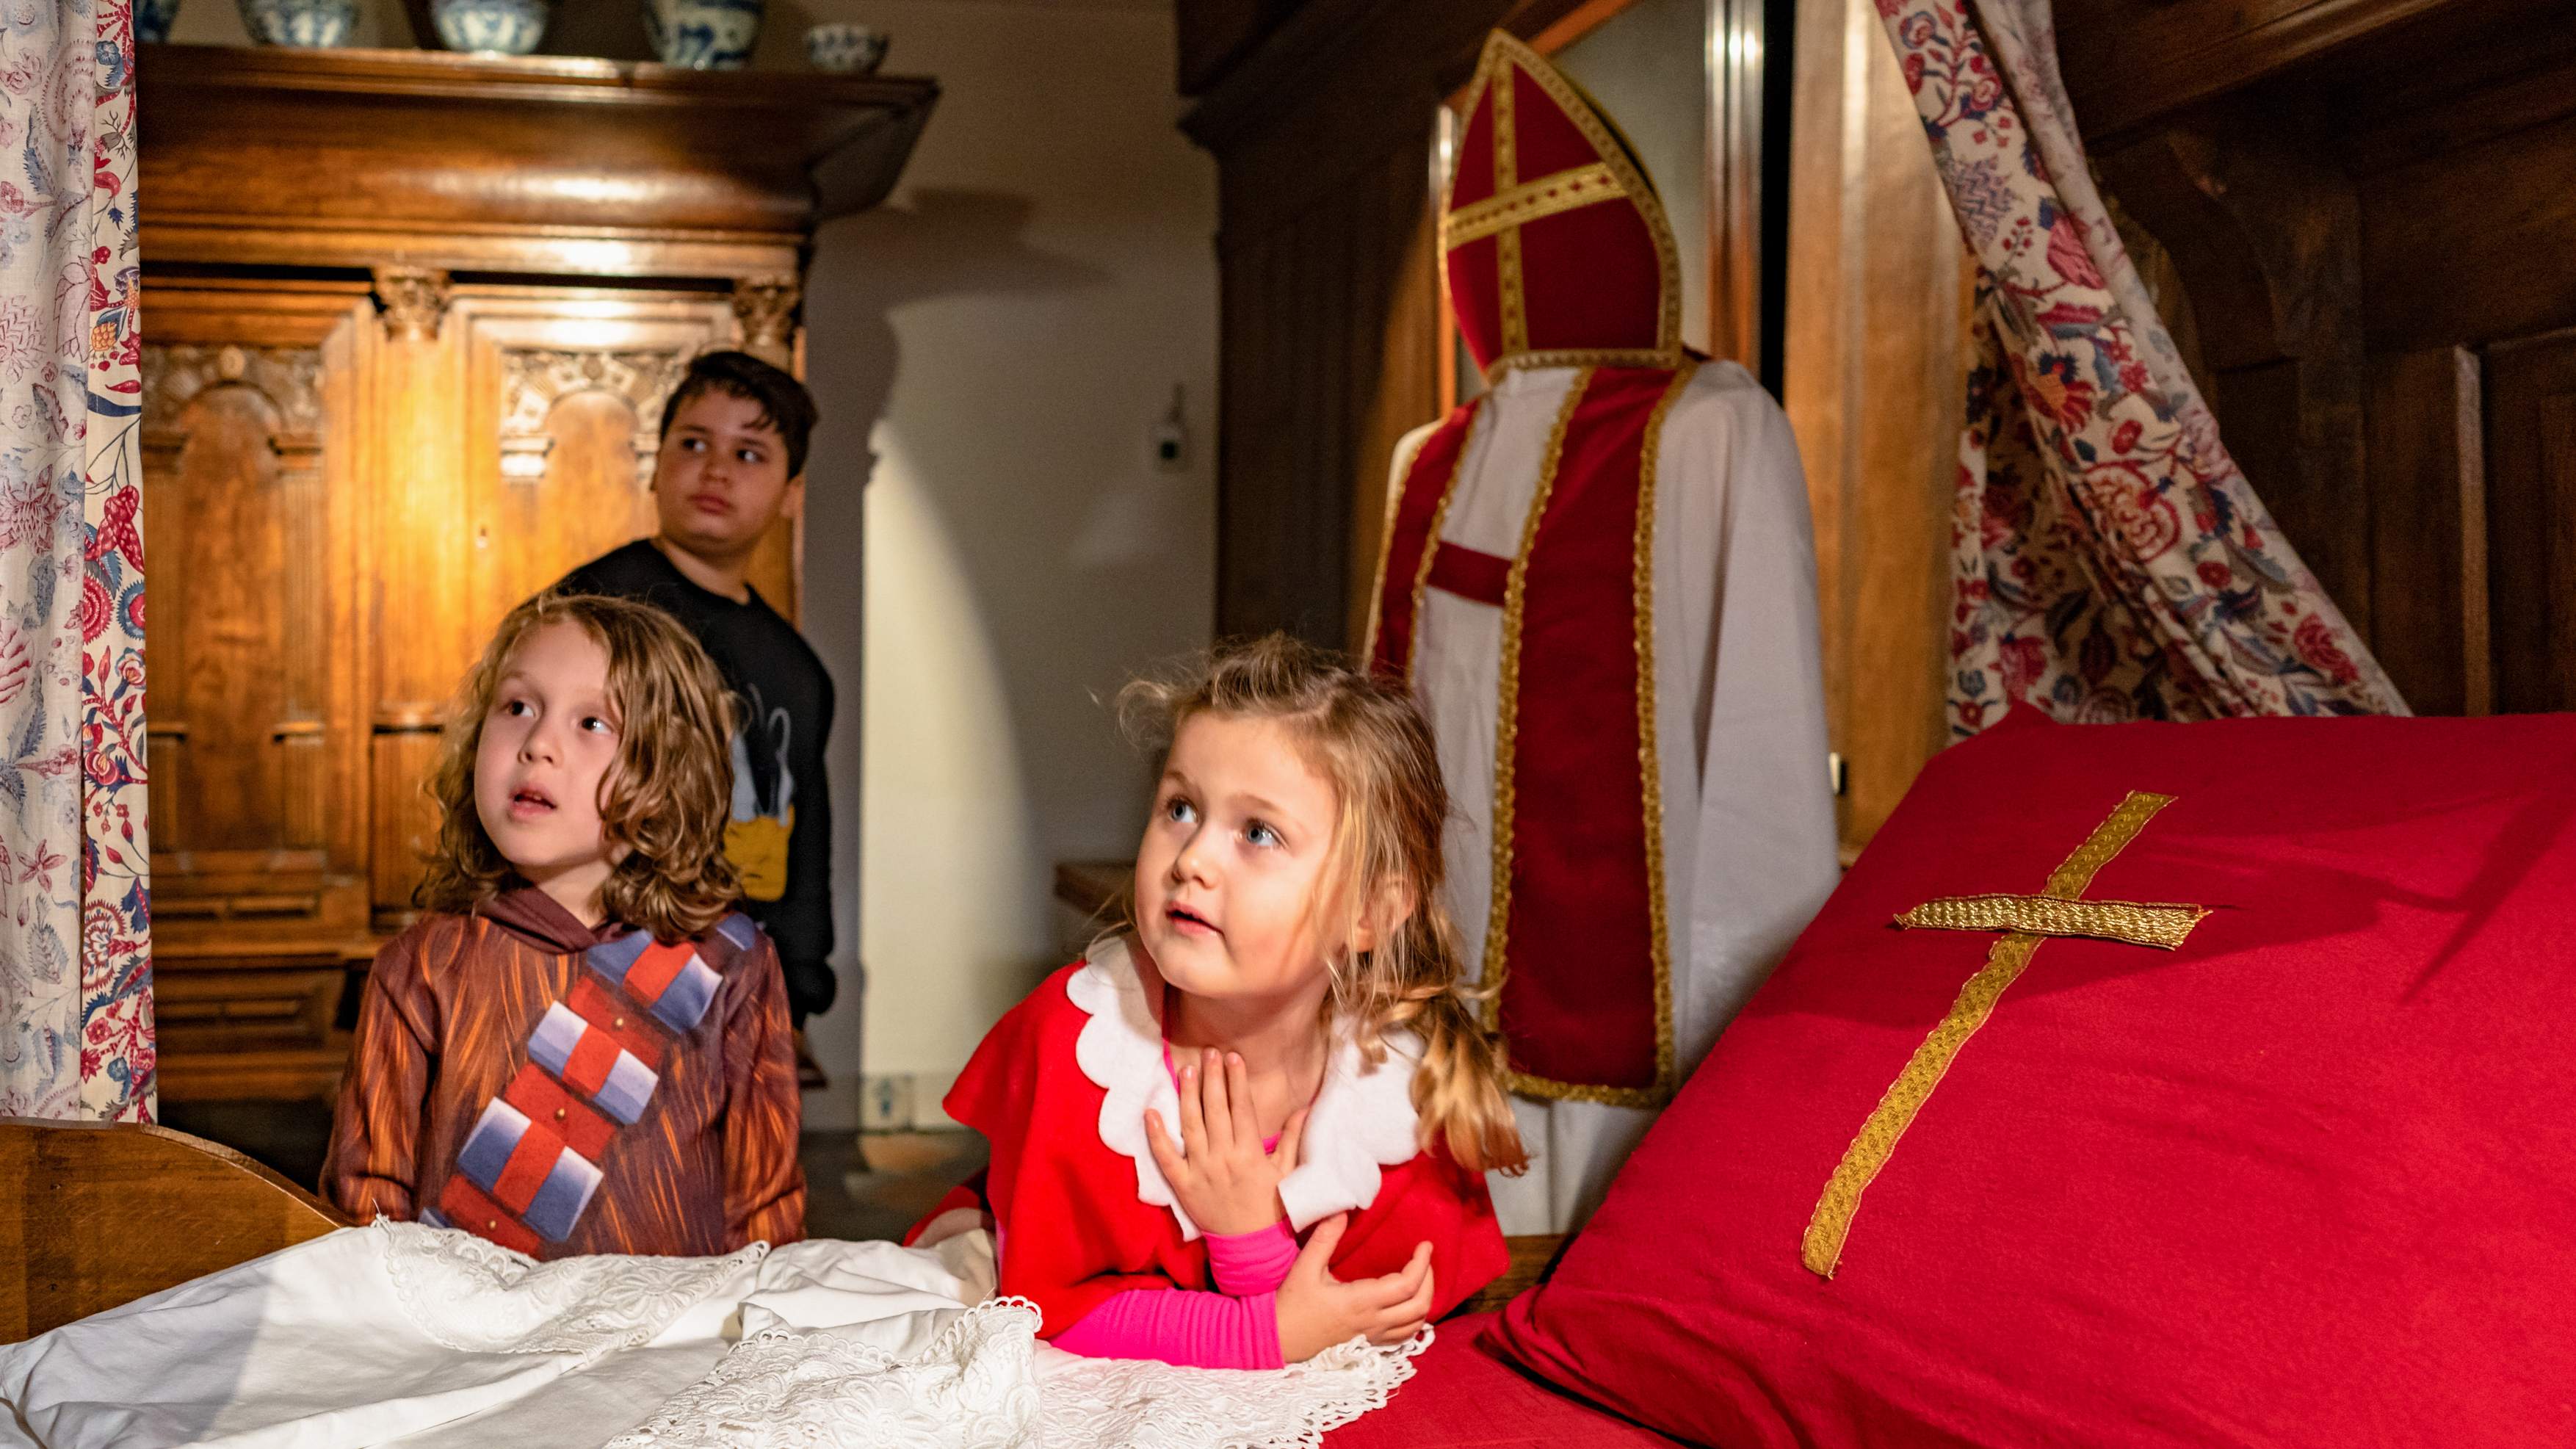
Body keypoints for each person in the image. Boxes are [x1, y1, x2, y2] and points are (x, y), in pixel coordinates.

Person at [1367, 32, 1839, 1235]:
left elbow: (1759, 730)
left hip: (1635, 964)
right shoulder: (1433, 459)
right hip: (1458, 960)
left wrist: (1759, 1010)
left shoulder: (1705, 426)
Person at [905, 635, 1518, 1367]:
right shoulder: (1077, 1045)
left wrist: (1250, 1242)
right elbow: (1043, 1313)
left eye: (1258, 832)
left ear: (1368, 912)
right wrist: (1261, 1326)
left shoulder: (1397, 1092)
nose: (1192, 859)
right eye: (1180, 808)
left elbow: (1353, 1321)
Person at [323, 592, 806, 1257]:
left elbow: (765, 1214)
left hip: (670, 1347)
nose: (538, 744)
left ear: (666, 773)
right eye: (517, 707)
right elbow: (367, 1212)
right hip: (476, 1346)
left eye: (592, 722)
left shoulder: (733, 967)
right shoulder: (420, 966)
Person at [555, 350, 841, 1088]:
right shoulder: (591, 610)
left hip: (740, 996)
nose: (716, 469)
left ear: (792, 493)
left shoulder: (799, 670)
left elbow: (805, 835)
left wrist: (801, 984)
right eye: (694, 443)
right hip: (596, 982)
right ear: (654, 466)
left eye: (748, 452)